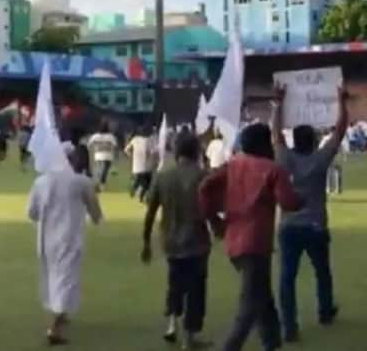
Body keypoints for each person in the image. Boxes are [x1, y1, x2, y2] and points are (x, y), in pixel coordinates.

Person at [199, 124, 301, 351]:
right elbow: (288, 202)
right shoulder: (272, 169)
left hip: (234, 239)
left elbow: (204, 187)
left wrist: (215, 221)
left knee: (262, 296)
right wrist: (301, 199)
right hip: (256, 242)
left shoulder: (232, 165)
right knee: (249, 307)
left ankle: (272, 342)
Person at [270, 86, 348, 343]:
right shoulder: (320, 160)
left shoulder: (284, 158)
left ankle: (289, 326)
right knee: (322, 272)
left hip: (289, 226)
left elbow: (276, 135)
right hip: (315, 225)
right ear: (314, 142)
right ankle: (325, 311)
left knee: (287, 278)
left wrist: (278, 103)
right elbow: (339, 131)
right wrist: (341, 101)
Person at [142, 131, 220, 349]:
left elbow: (150, 212)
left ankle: (172, 324)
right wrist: (218, 227)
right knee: (195, 288)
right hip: (197, 241)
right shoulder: (203, 176)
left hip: (170, 240)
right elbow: (211, 209)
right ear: (196, 151)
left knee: (175, 283)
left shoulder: (163, 176)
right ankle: (189, 336)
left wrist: (146, 241)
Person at [27, 141, 103, 345]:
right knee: (65, 280)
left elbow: (32, 213)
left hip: (46, 239)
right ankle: (54, 327)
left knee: (52, 278)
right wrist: (95, 216)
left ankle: (61, 315)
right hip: (68, 238)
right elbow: (95, 212)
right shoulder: (80, 182)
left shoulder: (41, 182)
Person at [126, 125, 156, 202]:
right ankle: (141, 196)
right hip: (145, 166)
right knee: (147, 184)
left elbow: (126, 149)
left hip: (136, 165)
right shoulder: (148, 141)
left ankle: (134, 190)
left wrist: (131, 156)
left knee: (139, 179)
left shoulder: (135, 139)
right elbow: (152, 152)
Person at [88, 122, 119, 187]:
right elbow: (115, 146)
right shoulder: (110, 136)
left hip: (98, 155)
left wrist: (94, 147)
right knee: (105, 170)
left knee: (99, 169)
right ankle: (102, 183)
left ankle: (96, 181)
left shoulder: (95, 136)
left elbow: (89, 144)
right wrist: (116, 155)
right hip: (108, 155)